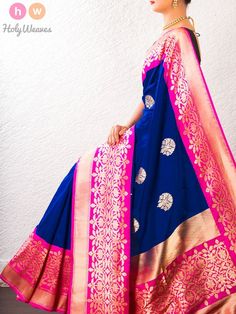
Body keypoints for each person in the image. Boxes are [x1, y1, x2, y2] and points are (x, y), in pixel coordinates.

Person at [1, 0, 236, 313]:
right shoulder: (171, 35)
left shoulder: (181, 37)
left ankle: (110, 289)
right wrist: (127, 123)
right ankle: (87, 286)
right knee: (89, 183)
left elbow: (179, 101)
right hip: (145, 130)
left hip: (157, 139)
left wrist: (144, 139)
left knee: (90, 180)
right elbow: (150, 97)